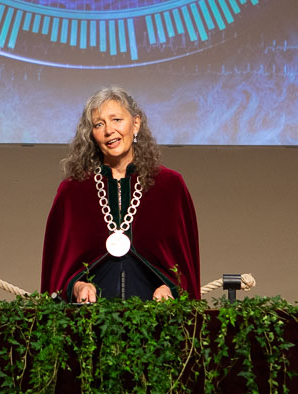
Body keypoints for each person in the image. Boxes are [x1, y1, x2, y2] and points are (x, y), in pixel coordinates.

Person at [41, 86, 200, 302]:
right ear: (91, 134)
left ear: (135, 124)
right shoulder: (73, 191)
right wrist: (76, 287)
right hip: (88, 322)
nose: (109, 131)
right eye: (99, 124)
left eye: (116, 120)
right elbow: (57, 271)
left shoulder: (170, 186)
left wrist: (169, 288)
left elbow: (183, 266)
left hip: (155, 318)